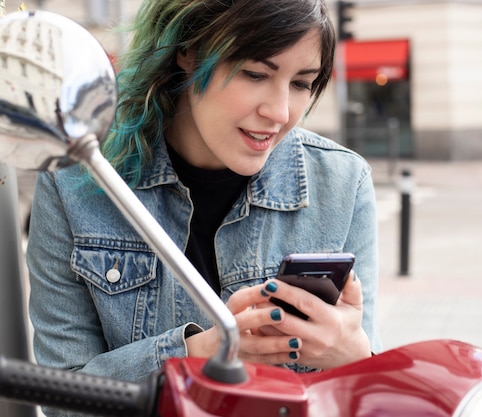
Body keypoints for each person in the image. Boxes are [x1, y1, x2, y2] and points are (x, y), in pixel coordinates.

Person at [26, 0, 381, 413]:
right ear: (188, 52)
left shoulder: (341, 183)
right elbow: (63, 398)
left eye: (302, 83)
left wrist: (358, 359)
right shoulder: (77, 178)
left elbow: (361, 399)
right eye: (255, 74)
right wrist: (196, 354)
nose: (280, 112)